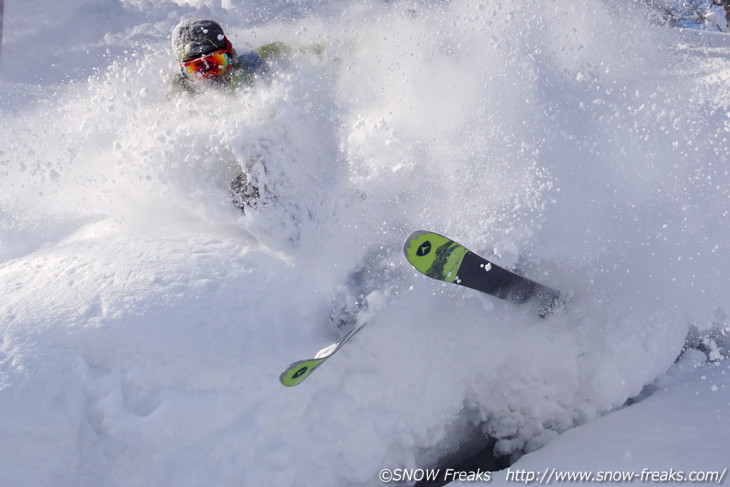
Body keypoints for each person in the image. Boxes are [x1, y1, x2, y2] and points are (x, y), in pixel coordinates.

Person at [170, 18, 291, 212]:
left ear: (230, 54)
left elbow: (321, 58)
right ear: (184, 72)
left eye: (215, 63)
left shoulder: (258, 64)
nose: (210, 76)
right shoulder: (181, 96)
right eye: (197, 69)